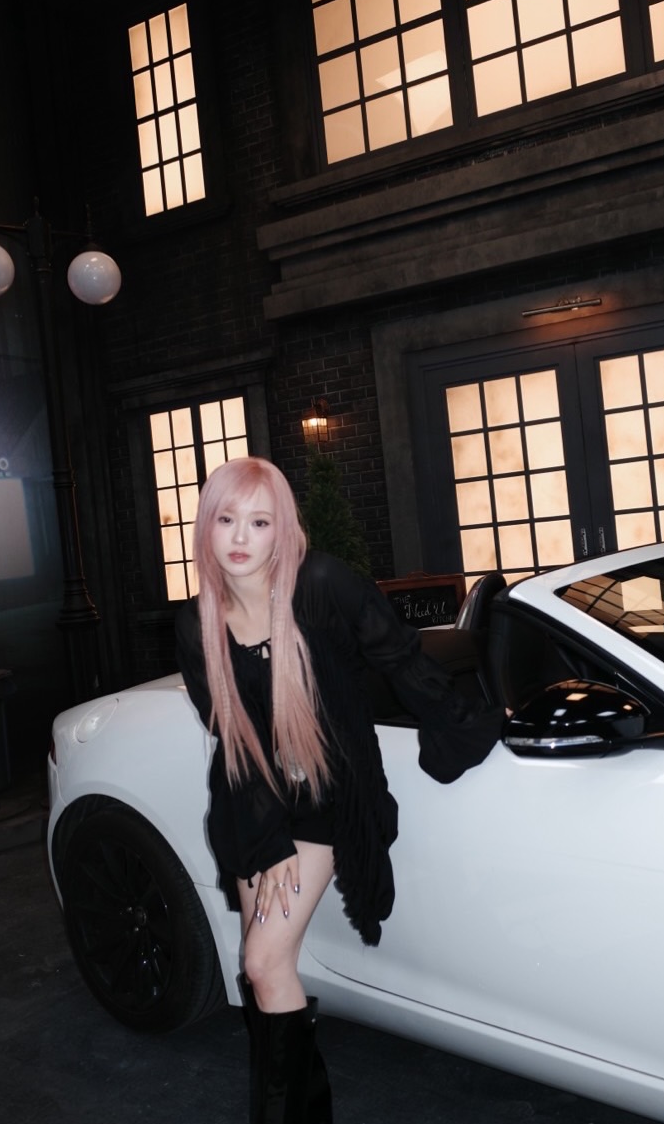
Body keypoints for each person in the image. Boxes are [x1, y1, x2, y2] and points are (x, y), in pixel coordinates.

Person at [175, 456, 504, 1124]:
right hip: (258, 802)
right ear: (206, 526)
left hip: (333, 795)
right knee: (266, 969)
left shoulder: (321, 585)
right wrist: (266, 835)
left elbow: (401, 656)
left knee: (263, 961)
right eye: (226, 519)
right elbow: (233, 739)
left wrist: (466, 726)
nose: (240, 537)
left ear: (282, 529)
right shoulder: (195, 624)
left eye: (259, 522)